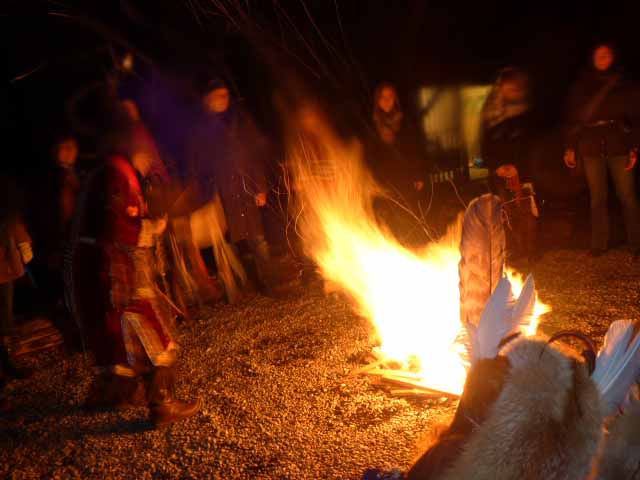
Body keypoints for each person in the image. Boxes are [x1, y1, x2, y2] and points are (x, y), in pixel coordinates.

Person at [69, 147, 200, 425]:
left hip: (102, 269)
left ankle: (116, 394)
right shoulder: (117, 172)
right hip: (117, 271)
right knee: (152, 336)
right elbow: (116, 226)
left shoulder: (104, 168)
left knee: (117, 335)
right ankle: (163, 405)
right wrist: (152, 228)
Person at [187, 78, 273, 294]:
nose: (224, 99)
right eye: (219, 95)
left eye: (226, 95)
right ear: (208, 100)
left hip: (245, 186)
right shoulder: (201, 128)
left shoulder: (240, 120)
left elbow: (254, 153)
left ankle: (270, 279)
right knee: (231, 240)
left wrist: (260, 187)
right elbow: (197, 161)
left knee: (257, 238)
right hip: (221, 192)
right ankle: (243, 284)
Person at [564, 43, 640, 256]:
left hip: (619, 144)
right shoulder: (582, 85)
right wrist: (569, 147)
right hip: (590, 145)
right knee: (597, 197)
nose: (603, 58)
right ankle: (599, 244)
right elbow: (574, 119)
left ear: (613, 57)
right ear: (593, 58)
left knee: (627, 195)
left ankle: (636, 242)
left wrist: (634, 147)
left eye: (607, 54)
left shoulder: (623, 84)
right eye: (599, 55)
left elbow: (635, 117)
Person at [480, 67, 538, 263]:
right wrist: (495, 166)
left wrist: (518, 167)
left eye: (515, 86)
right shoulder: (490, 114)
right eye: (507, 86)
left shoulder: (526, 113)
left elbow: (531, 145)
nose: (511, 90)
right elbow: (484, 146)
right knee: (504, 210)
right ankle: (512, 249)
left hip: (522, 170)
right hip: (498, 170)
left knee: (525, 209)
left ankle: (529, 250)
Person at [369, 82, 429, 245]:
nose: (387, 100)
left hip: (405, 178)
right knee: (387, 219)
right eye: (383, 97)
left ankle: (412, 248)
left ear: (395, 99)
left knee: (408, 215)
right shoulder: (373, 124)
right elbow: (370, 155)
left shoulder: (405, 121)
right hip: (383, 180)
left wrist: (419, 175)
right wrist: (371, 180)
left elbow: (416, 149)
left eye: (390, 97)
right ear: (377, 100)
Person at [0, 182, 34, 409]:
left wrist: (22, 241)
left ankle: (4, 364)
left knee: (3, 322)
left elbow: (10, 217)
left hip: (2, 267)